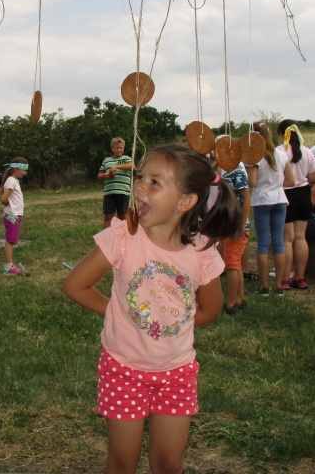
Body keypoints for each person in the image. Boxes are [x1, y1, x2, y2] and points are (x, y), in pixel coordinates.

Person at [62, 145, 239, 474]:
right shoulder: (123, 238)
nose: (140, 186)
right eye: (140, 177)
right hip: (123, 371)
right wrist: (119, 313)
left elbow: (210, 310)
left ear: (185, 202)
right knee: (122, 463)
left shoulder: (201, 251)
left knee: (169, 464)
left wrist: (168, 324)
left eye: (154, 182)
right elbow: (75, 285)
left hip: (177, 375)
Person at [248, 122, 296, 297]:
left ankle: (264, 286)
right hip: (280, 199)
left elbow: (253, 182)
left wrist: (250, 170)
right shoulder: (281, 154)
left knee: (263, 243)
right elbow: (291, 181)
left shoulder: (255, 156)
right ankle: (279, 285)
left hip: (261, 200)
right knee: (279, 243)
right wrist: (276, 186)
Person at [276, 120, 315, 290]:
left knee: (287, 239)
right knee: (301, 237)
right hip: (303, 194)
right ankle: (300, 278)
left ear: (281, 134)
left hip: (285, 194)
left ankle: (285, 278)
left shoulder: (279, 152)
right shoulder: (307, 151)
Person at [218, 162, 251, 315]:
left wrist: (241, 225)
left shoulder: (237, 172)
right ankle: (239, 298)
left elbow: (246, 199)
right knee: (235, 263)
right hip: (230, 224)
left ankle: (231, 303)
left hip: (236, 225)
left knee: (231, 264)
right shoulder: (226, 172)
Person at [0, 157, 29, 276]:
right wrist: (11, 209)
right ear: (16, 169)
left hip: (14, 214)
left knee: (11, 239)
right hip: (12, 215)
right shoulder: (11, 180)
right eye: (24, 170)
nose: (25, 173)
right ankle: (9, 266)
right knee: (10, 240)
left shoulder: (13, 180)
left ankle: (10, 265)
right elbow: (3, 199)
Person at [97, 137, 135, 228]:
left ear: (123, 148)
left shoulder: (126, 158)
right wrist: (107, 175)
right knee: (108, 216)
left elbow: (132, 166)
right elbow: (99, 175)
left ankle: (123, 235)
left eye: (121, 148)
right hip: (109, 193)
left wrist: (116, 167)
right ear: (112, 148)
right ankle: (107, 235)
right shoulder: (106, 160)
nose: (119, 150)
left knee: (123, 216)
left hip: (123, 192)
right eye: (117, 148)